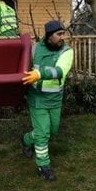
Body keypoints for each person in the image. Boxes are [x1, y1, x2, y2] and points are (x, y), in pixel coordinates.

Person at [20, 19, 74, 181]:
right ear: (49, 35)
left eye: (63, 33)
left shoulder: (66, 51)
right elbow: (23, 67)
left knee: (52, 131)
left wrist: (40, 73)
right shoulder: (35, 49)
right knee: (43, 133)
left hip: (55, 99)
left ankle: (26, 139)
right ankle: (43, 165)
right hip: (37, 98)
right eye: (59, 34)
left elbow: (60, 71)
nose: (62, 37)